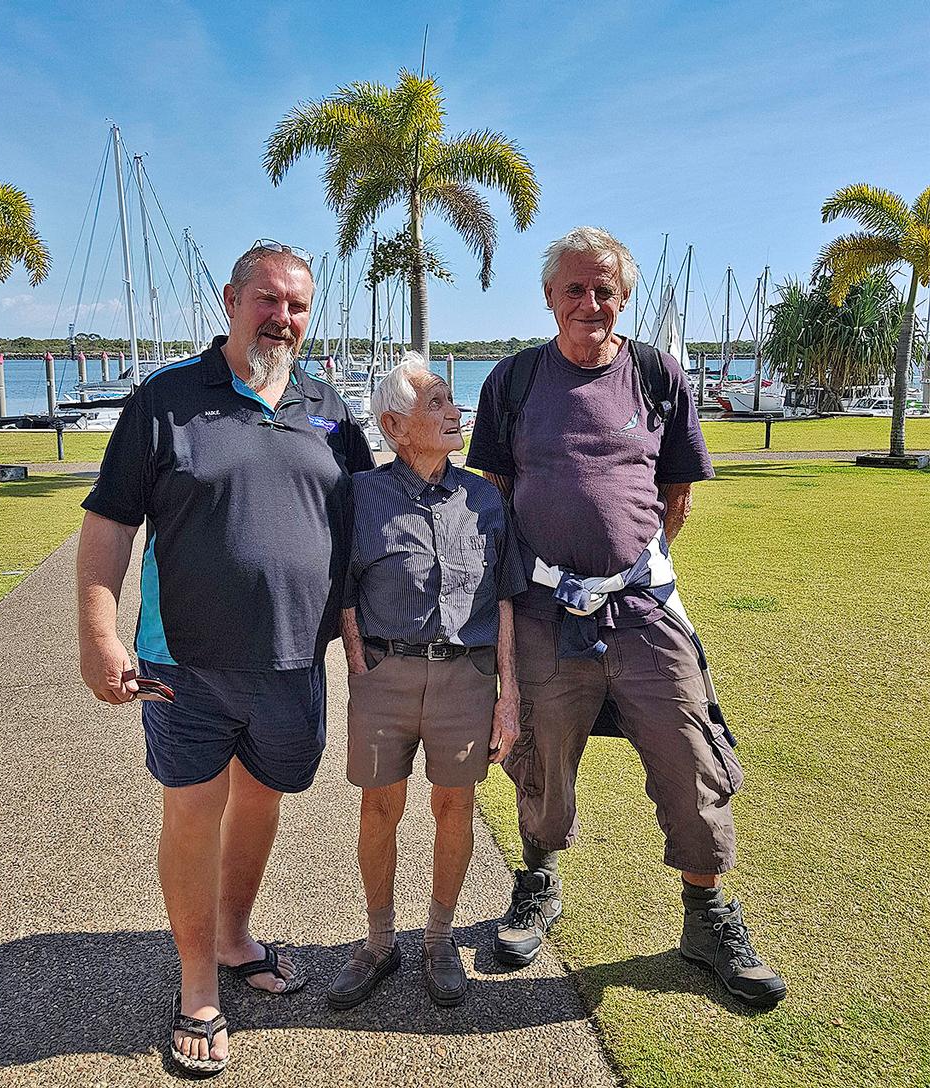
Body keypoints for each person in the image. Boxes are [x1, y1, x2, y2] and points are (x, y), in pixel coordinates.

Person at [466, 226, 786, 1008]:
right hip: (544, 612)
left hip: (643, 610)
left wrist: (620, 571)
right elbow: (495, 499)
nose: (591, 302)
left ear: (625, 297)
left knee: (691, 753)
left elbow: (674, 496)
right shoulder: (511, 383)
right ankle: (537, 887)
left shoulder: (656, 374)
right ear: (549, 297)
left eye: (605, 289)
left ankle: (706, 918)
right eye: (574, 288)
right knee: (541, 756)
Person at [76, 240, 374, 1076]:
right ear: (232, 299)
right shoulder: (166, 402)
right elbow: (108, 528)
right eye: (268, 300)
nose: (283, 318)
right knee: (194, 809)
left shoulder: (332, 411)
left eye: (298, 306)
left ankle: (237, 933)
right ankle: (198, 982)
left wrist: (361, 657)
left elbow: (357, 543)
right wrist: (100, 632)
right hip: (186, 667)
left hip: (292, 665)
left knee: (262, 801)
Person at [329, 354, 526, 1010]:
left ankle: (438, 941)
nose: (454, 410)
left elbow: (502, 600)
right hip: (384, 677)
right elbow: (344, 589)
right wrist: (361, 667)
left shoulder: (484, 497)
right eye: (438, 401)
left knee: (455, 807)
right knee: (379, 807)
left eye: (452, 399)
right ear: (394, 424)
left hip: (465, 679)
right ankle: (379, 943)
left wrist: (509, 698)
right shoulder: (360, 493)